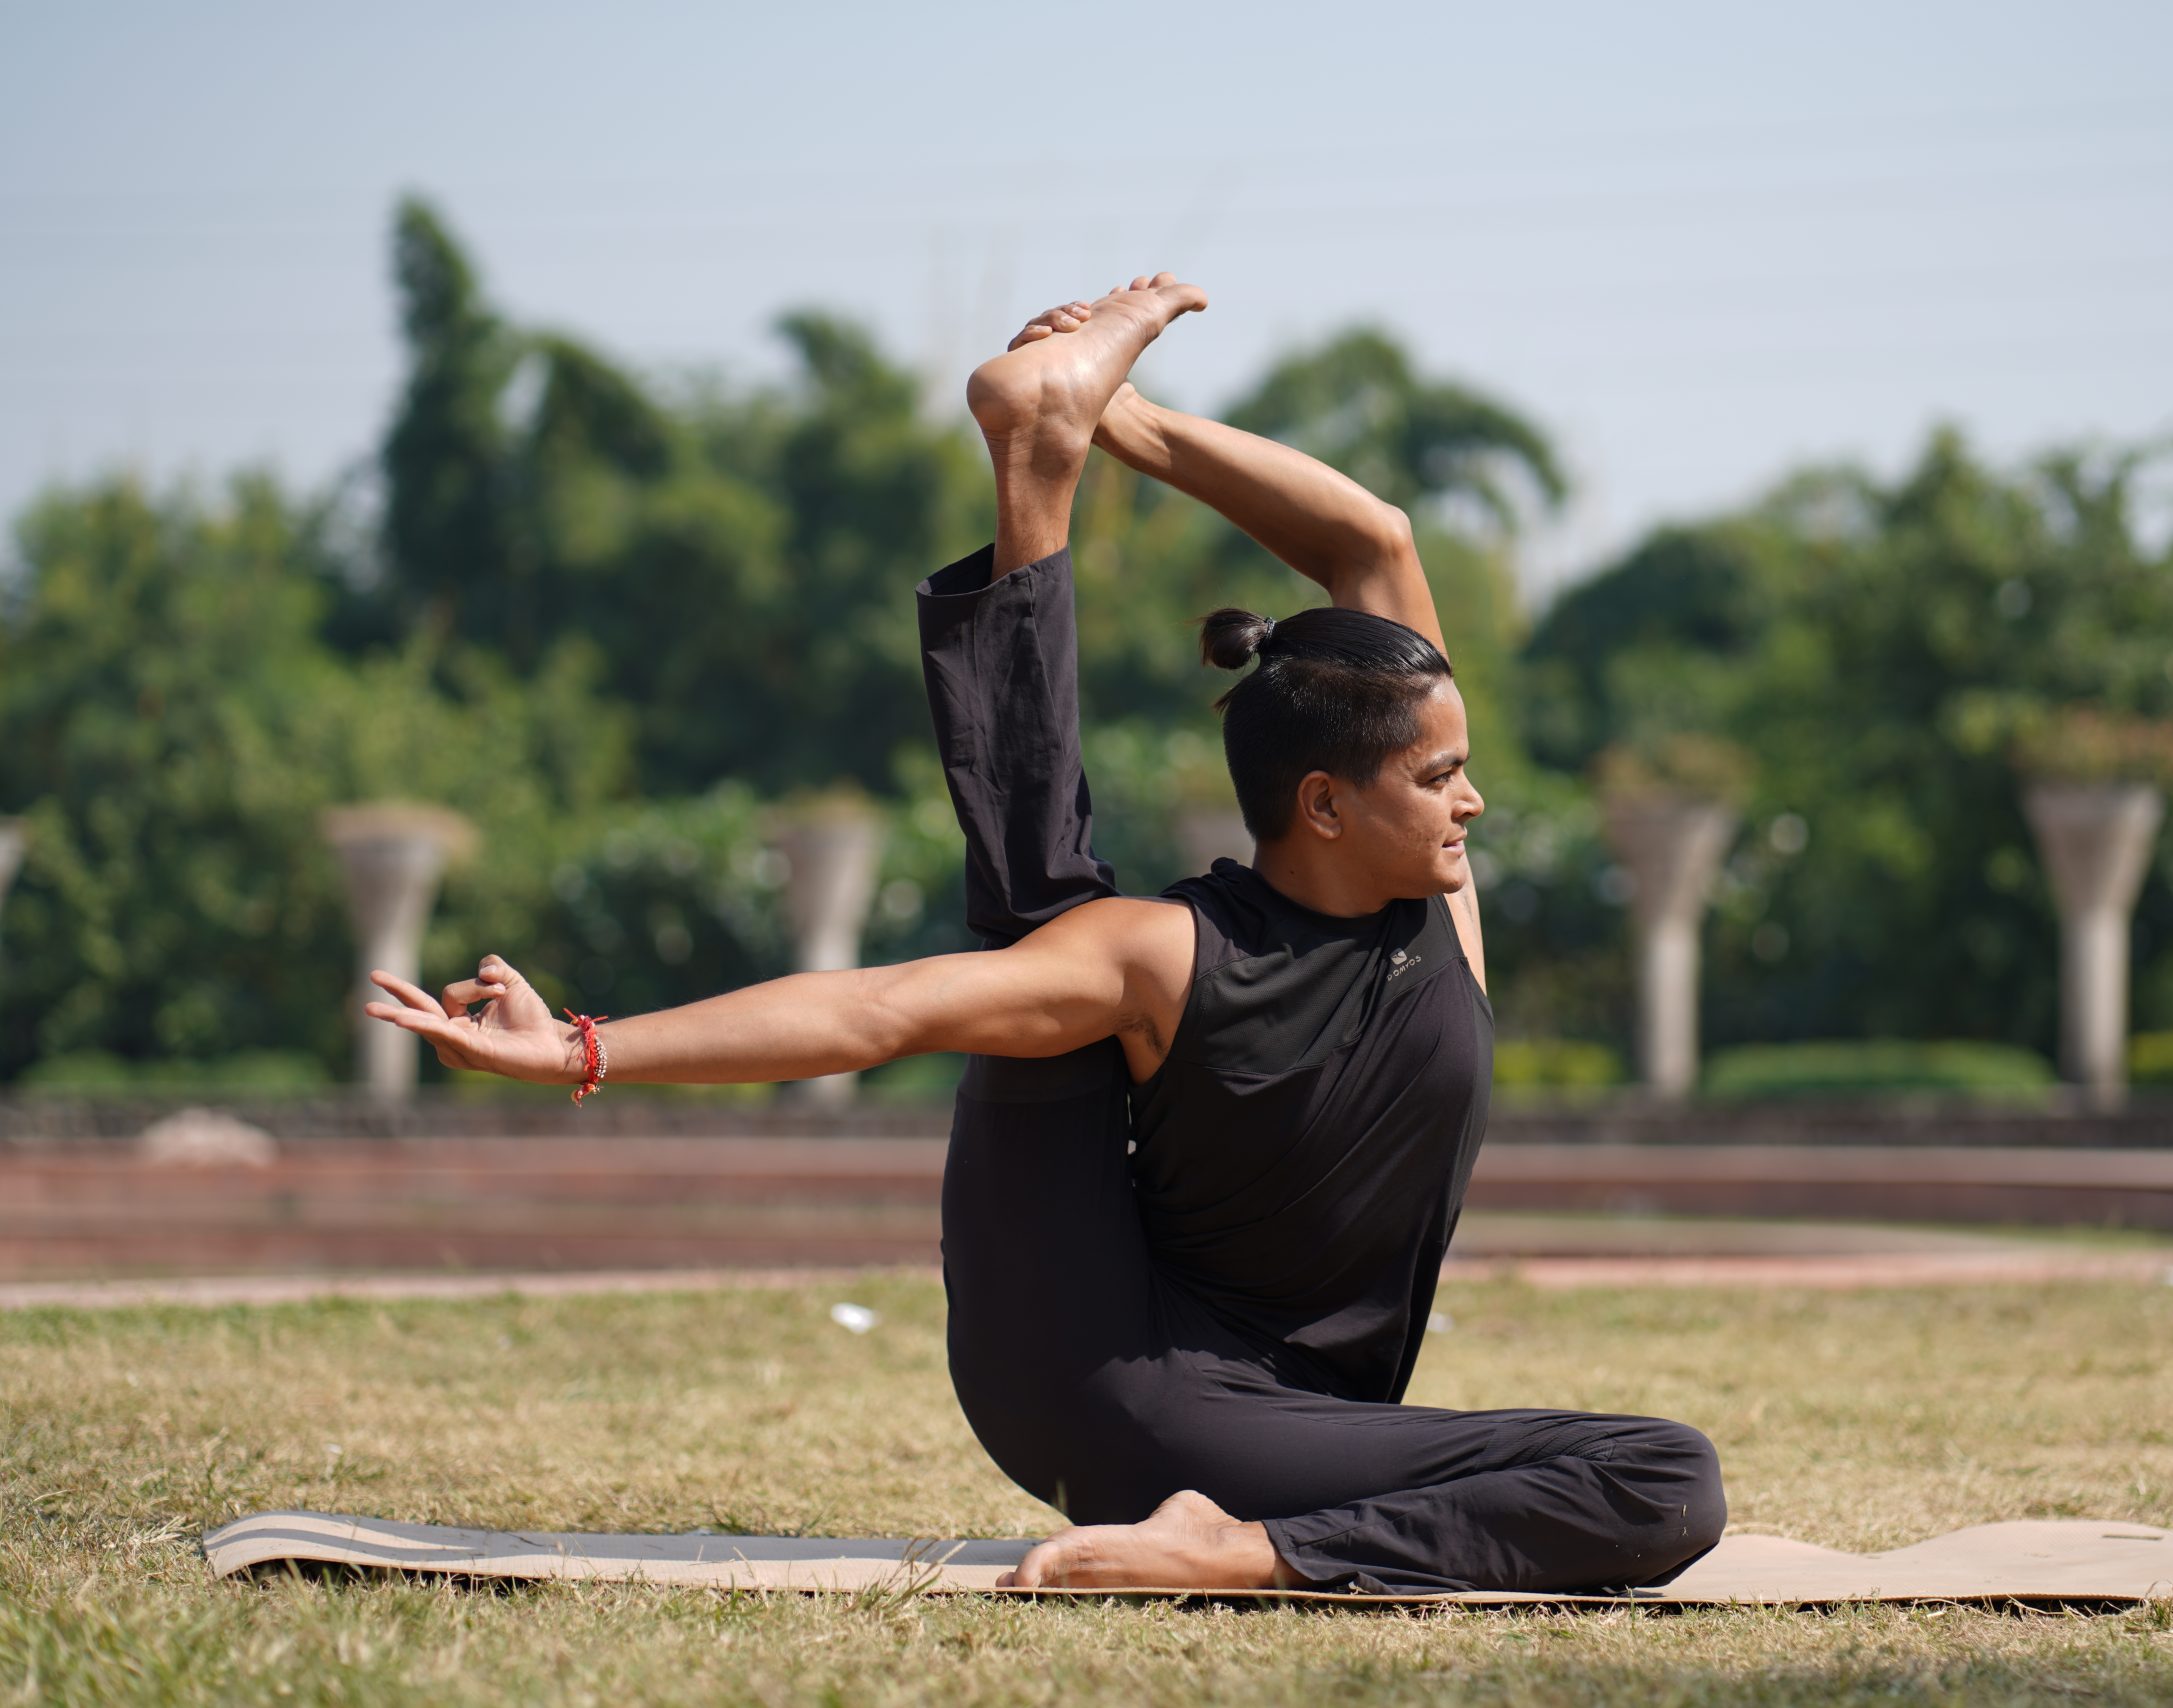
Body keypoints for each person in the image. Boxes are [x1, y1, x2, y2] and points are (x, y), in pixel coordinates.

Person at [363, 274, 1725, 1595]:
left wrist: (1128, 423)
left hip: (1315, 1425)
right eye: (1440, 776)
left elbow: (1372, 541)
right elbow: (882, 1010)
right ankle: (1250, 1550)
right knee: (1042, 935)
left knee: (1669, 1478)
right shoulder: (1161, 956)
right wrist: (579, 1051)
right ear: (1323, 803)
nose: (1474, 797)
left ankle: (1045, 446)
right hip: (1112, 1387)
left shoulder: (1435, 903)